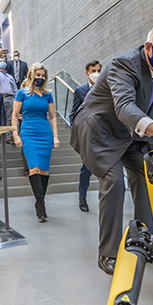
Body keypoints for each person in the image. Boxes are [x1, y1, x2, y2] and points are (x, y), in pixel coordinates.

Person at [70, 22, 153, 274]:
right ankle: (108, 253)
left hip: (133, 136)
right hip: (100, 131)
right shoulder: (123, 64)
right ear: (148, 47)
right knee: (114, 181)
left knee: (148, 176)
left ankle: (145, 240)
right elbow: (125, 106)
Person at [12, 64, 59, 222]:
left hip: (44, 133)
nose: (40, 78)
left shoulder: (48, 95)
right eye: (37, 75)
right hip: (29, 133)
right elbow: (14, 116)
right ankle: (40, 205)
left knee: (44, 171)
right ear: (31, 76)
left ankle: (40, 201)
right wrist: (16, 135)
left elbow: (52, 117)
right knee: (34, 169)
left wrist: (55, 136)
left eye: (43, 76)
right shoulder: (22, 93)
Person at [69, 60, 101, 212]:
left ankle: (107, 199)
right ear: (87, 73)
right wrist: (77, 133)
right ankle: (82, 198)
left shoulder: (106, 88)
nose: (97, 73)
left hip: (103, 136)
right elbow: (74, 114)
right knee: (86, 169)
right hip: (87, 136)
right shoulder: (80, 91)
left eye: (99, 70)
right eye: (94, 70)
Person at [0, 49, 18, 143]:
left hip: (10, 98)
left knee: (10, 118)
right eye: (0, 61)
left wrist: (17, 100)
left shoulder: (10, 77)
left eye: (4, 61)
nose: (2, 62)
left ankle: (9, 137)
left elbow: (15, 90)